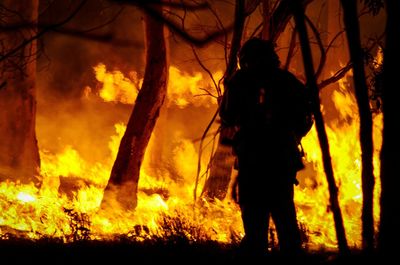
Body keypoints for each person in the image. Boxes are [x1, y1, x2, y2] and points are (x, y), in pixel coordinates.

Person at [219, 37, 310, 258]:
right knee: (285, 219)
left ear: (247, 60)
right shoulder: (287, 81)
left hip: (253, 161)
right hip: (281, 161)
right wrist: (292, 135)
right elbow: (306, 117)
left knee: (255, 223)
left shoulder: (240, 81)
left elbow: (227, 115)